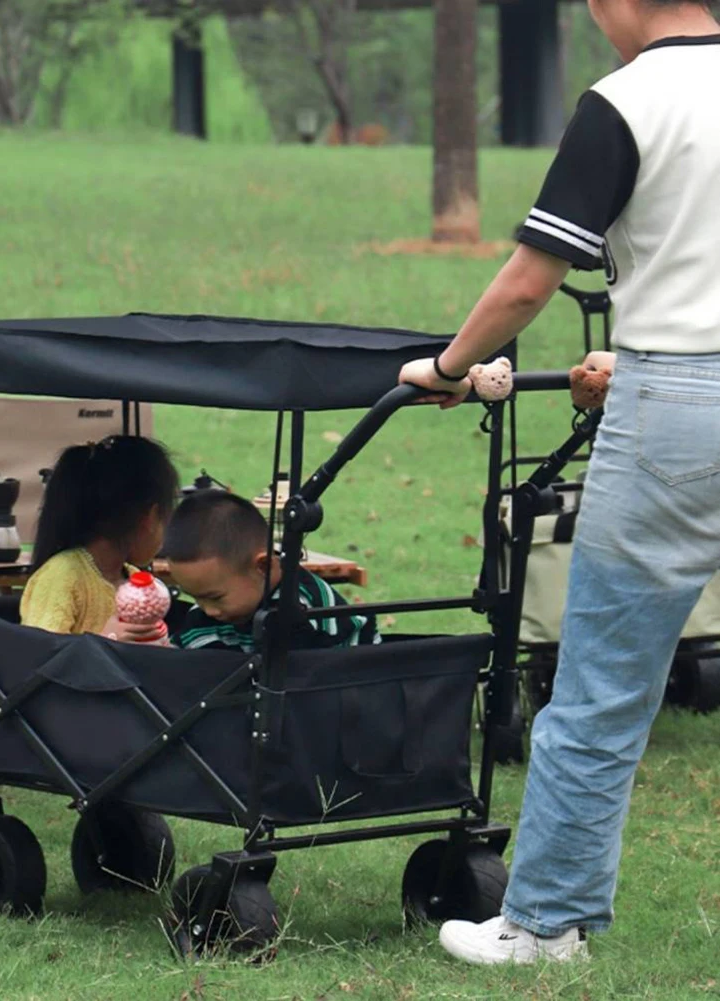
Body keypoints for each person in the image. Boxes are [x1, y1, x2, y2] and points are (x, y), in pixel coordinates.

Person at [397, 0, 720, 966]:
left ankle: (544, 924)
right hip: (667, 371)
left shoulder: (624, 101)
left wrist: (448, 368)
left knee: (602, 685)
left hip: (671, 399)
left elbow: (530, 282)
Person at [165, 490, 380, 652]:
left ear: (263, 567)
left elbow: (297, 686)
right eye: (196, 598)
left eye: (215, 597)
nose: (208, 610)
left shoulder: (302, 611)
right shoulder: (205, 615)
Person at [20, 435, 179, 640]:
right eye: (165, 517)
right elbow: (39, 655)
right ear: (149, 517)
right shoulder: (62, 577)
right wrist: (106, 641)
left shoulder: (133, 580)